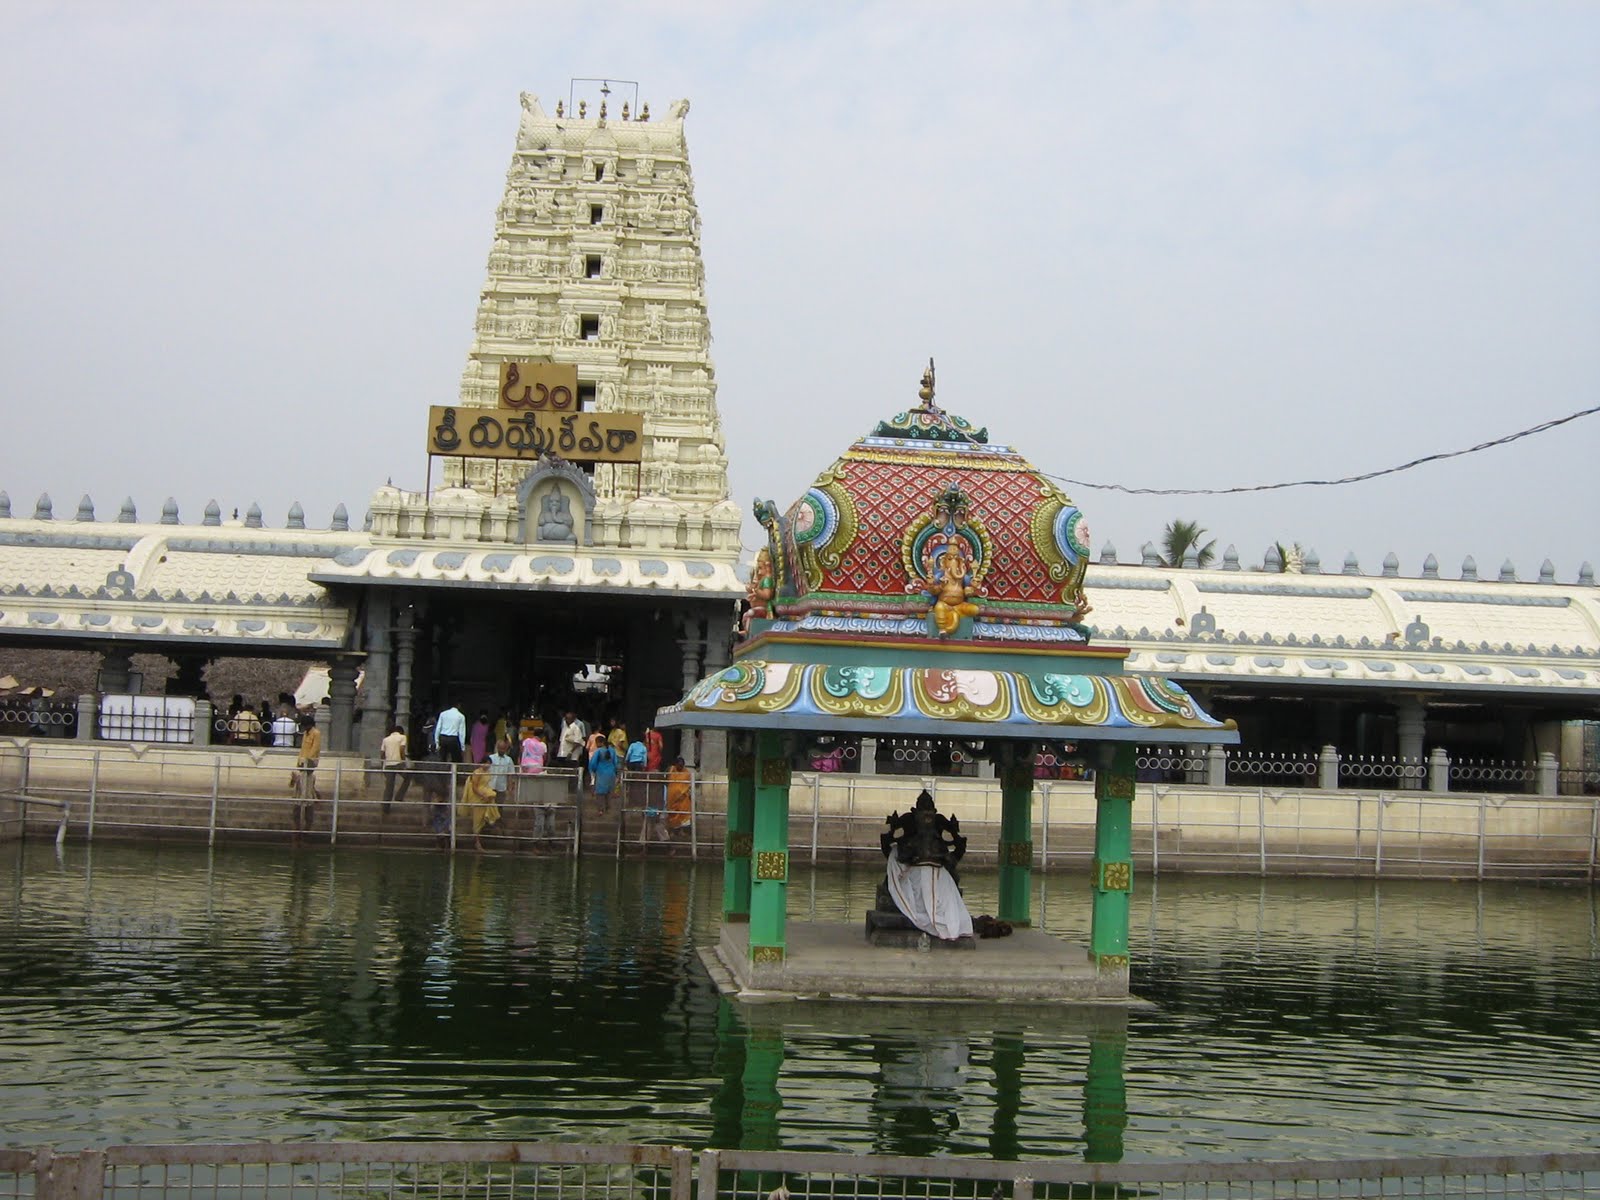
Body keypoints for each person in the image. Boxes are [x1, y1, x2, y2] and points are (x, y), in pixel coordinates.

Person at [459, 763, 502, 852]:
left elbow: (486, 785)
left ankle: (491, 824)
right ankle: (477, 843)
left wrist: (487, 794)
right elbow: (474, 787)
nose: (487, 765)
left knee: (490, 810)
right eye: (485, 763)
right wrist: (482, 795)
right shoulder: (477, 772)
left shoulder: (488, 773)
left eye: (488, 763)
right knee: (477, 820)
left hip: (485, 795)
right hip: (476, 796)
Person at [292, 716, 322, 841]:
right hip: (303, 760)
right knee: (302, 781)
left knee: (307, 781)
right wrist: (299, 761)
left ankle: (312, 795)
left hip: (310, 761)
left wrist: (307, 760)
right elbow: (303, 748)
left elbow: (315, 748)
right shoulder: (306, 733)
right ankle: (311, 794)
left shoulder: (316, 733)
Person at [487, 737, 515, 832]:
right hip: (490, 786)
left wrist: (510, 787)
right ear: (497, 748)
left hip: (501, 787)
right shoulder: (491, 758)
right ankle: (489, 823)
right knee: (490, 805)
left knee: (499, 805)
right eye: (500, 748)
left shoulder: (508, 760)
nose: (501, 750)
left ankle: (498, 823)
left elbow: (510, 774)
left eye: (503, 749)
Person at [380, 723, 409, 812]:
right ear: (401, 731)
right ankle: (399, 796)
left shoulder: (386, 739)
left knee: (389, 786)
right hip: (398, 763)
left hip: (388, 764)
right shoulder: (402, 737)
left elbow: (382, 753)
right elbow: (402, 750)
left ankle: (385, 806)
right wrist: (404, 761)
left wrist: (383, 765)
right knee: (408, 777)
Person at [588, 738, 619, 813]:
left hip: (601, 772)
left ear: (601, 743)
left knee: (600, 792)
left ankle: (601, 809)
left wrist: (593, 770)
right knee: (609, 791)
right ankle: (608, 808)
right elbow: (616, 763)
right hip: (611, 773)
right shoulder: (613, 751)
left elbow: (593, 763)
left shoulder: (598, 751)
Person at [665, 757, 693, 835]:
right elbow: (666, 779)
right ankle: (672, 831)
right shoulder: (671, 770)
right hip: (672, 797)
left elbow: (688, 785)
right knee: (672, 814)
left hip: (683, 798)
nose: (680, 767)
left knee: (683, 814)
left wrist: (683, 794)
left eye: (682, 765)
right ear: (676, 764)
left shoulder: (687, 773)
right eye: (679, 765)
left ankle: (681, 831)